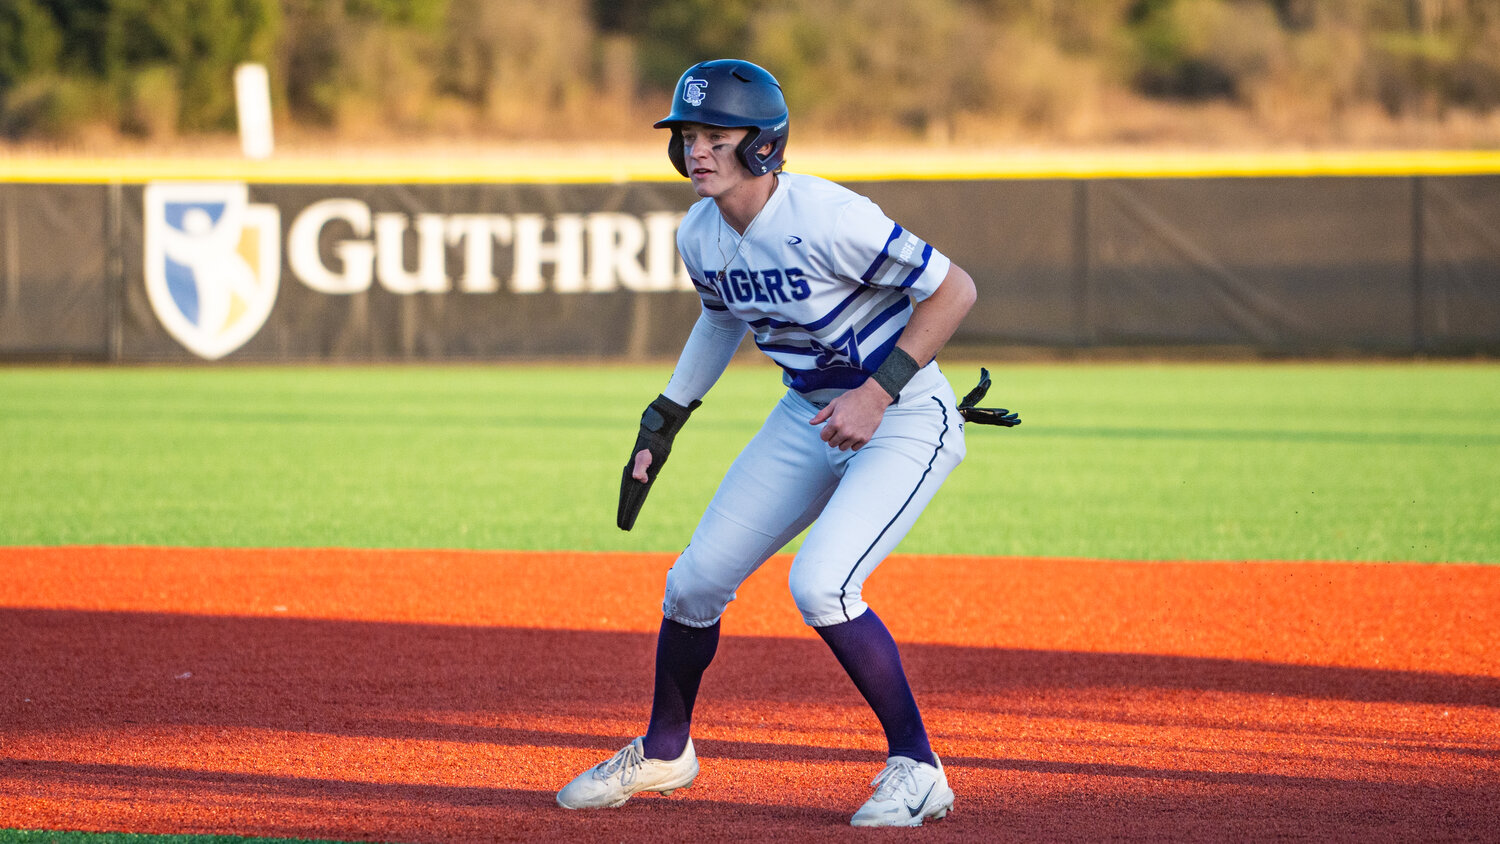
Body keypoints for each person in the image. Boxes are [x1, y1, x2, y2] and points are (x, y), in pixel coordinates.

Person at [556, 58, 1014, 828]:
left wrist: (877, 392)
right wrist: (665, 418)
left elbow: (953, 288)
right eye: (688, 134)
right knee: (694, 583)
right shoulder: (699, 231)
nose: (696, 149)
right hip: (808, 414)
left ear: (762, 144)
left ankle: (919, 767)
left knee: (822, 585)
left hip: (903, 414)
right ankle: (667, 750)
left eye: (716, 134)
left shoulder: (829, 217)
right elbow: (719, 319)